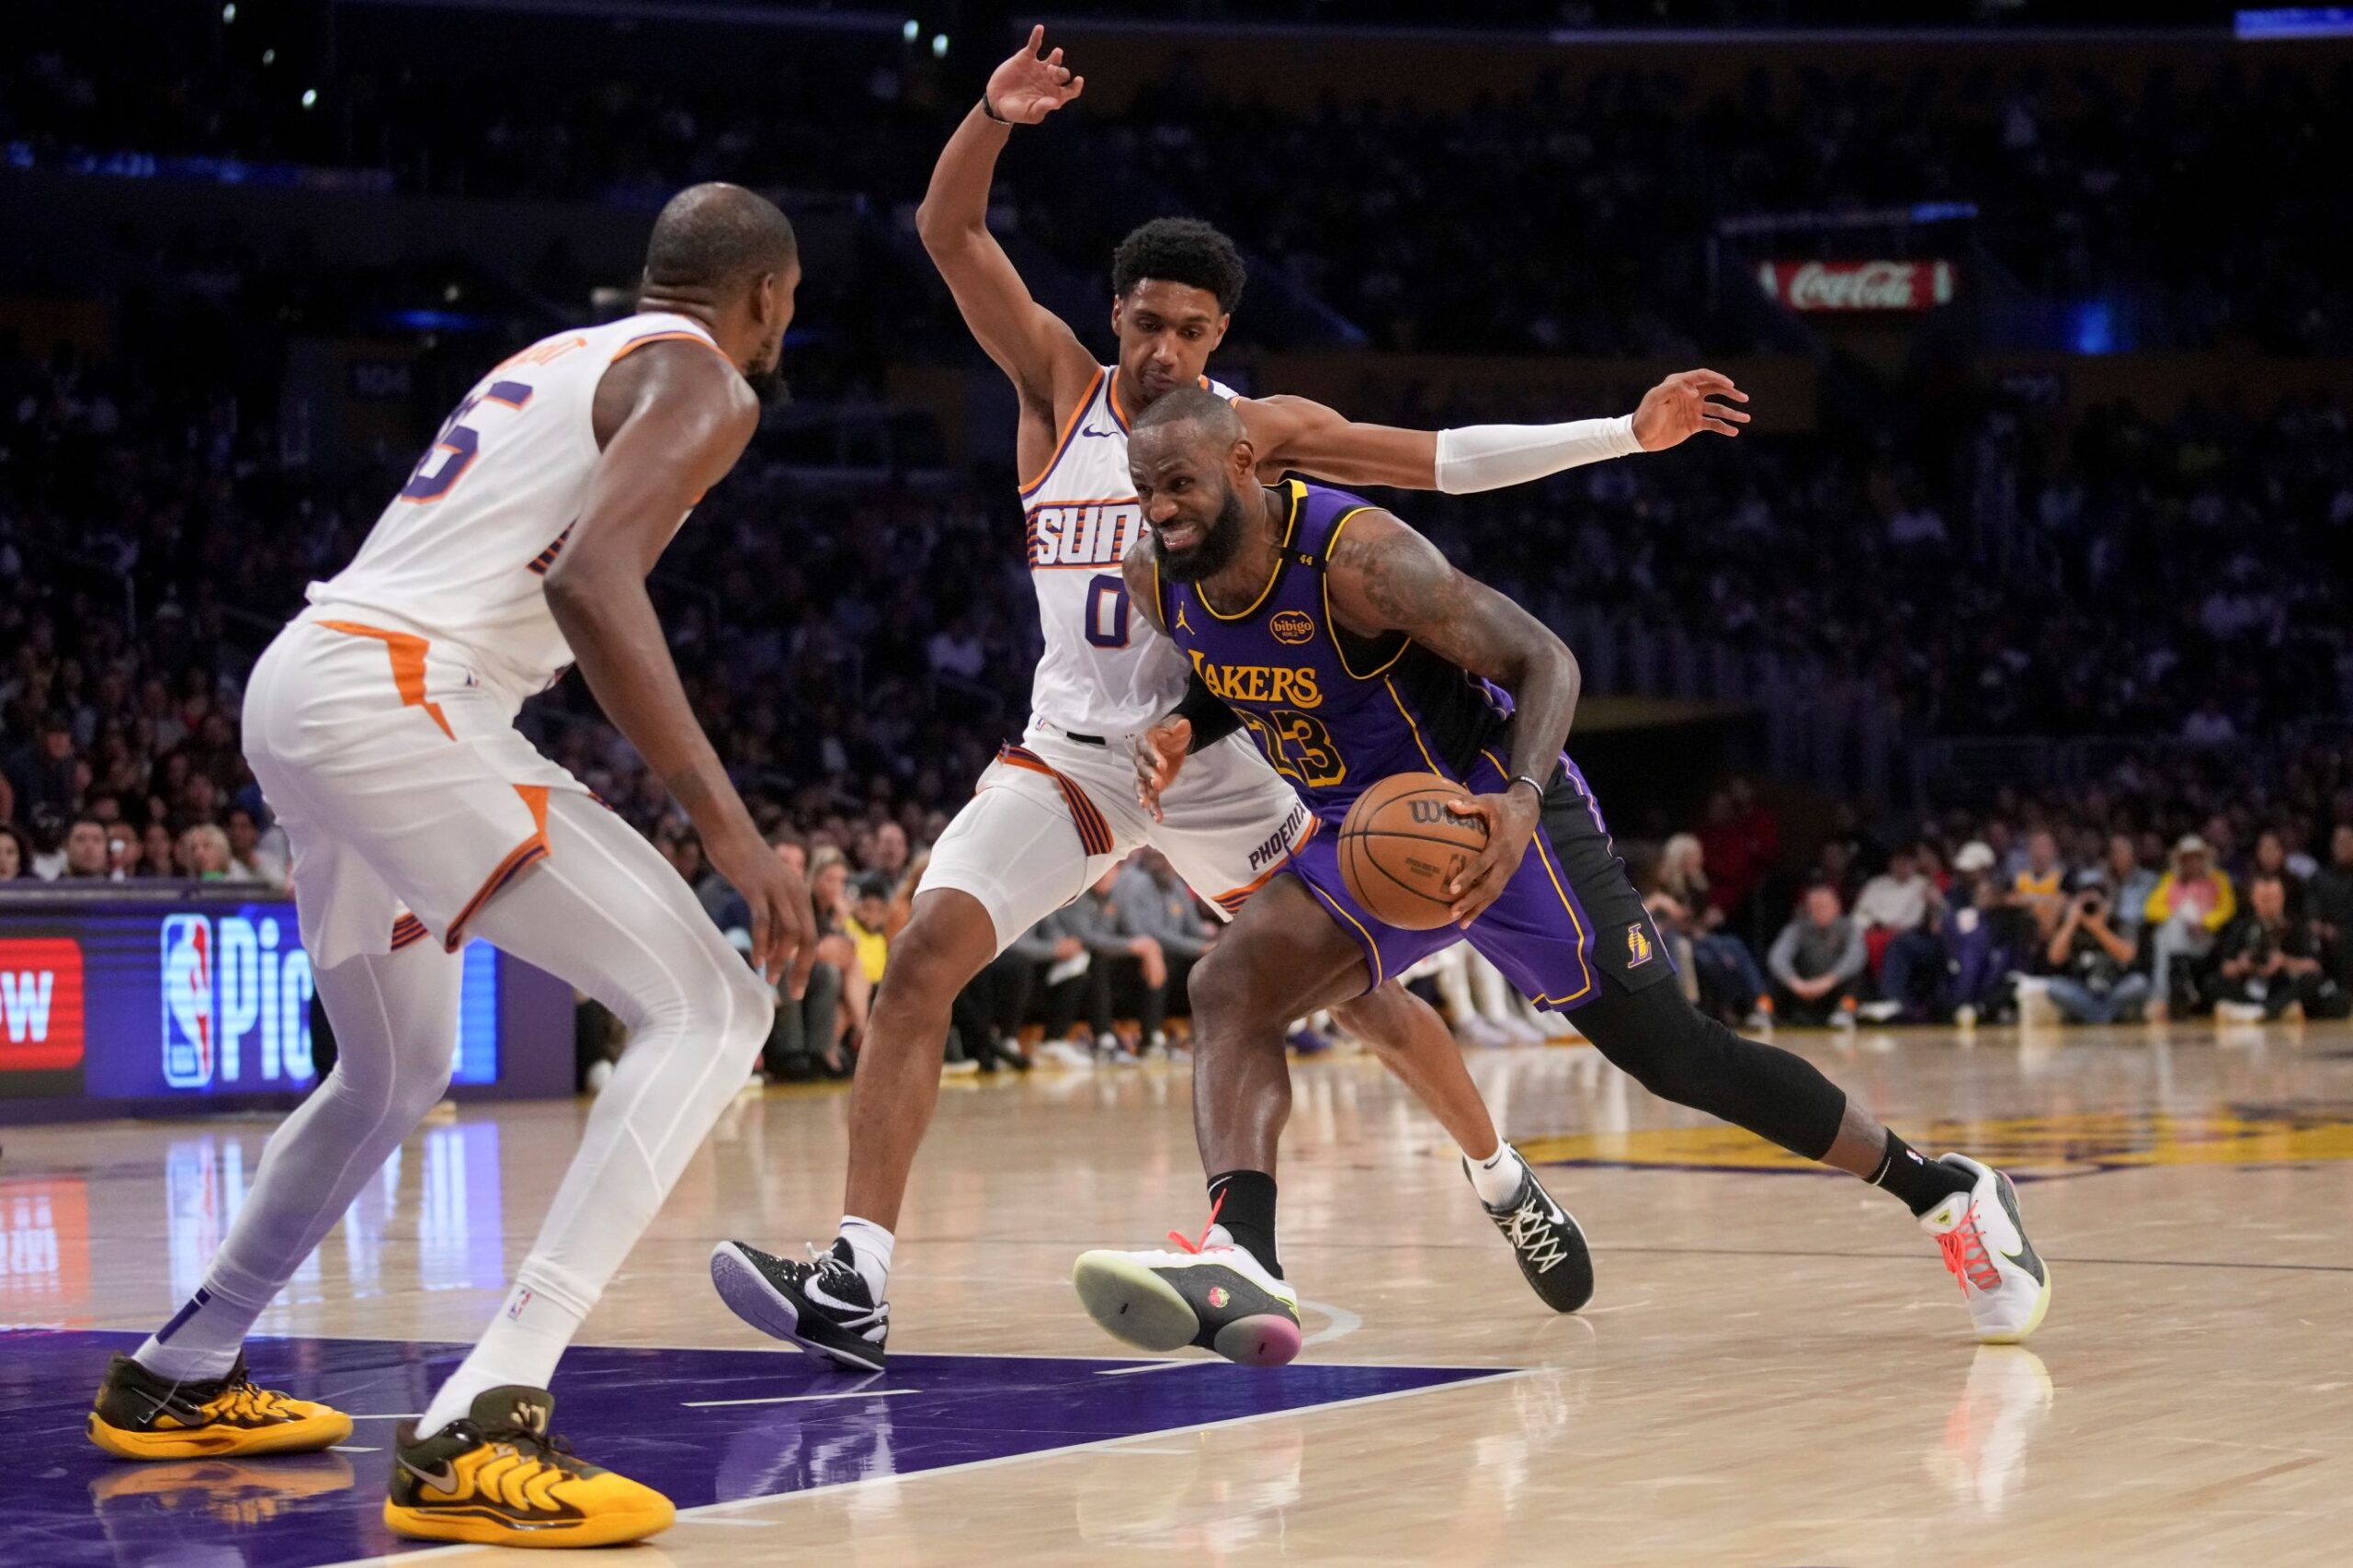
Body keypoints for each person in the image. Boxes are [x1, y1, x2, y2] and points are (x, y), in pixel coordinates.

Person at [710, 27, 1748, 1369]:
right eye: (1146, 323)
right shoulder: (1053, 388)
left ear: (1220, 339)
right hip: (1075, 757)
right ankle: (857, 1280)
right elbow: (950, 231)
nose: (1163, 350)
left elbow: (1440, 463)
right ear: (1118, 317)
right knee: (917, 959)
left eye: (1192, 331)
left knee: (1369, 996)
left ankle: (1502, 1175)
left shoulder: (1260, 430)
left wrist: (1623, 433)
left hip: (1231, 758)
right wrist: (990, 113)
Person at [86, 184, 816, 1550]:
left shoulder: (550, 357)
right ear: (767, 295)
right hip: (399, 696)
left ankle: (180, 1368)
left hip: (307, 684)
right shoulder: (710, 382)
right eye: (789, 303)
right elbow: (595, 583)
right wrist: (727, 825)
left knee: (393, 1070)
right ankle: (486, 1415)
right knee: (717, 1006)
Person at [1066, 390, 2048, 1366]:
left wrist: (1523, 799)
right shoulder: (1160, 574)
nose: (1160, 506)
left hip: (1491, 804)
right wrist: (1188, 723)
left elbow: (1545, 658)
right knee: (1228, 984)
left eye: (1180, 482)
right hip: (1361, 830)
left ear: (1243, 463)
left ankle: (1942, 1188)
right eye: (1145, 486)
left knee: (1676, 1057)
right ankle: (1244, 1255)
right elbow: (1231, 670)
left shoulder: (1359, 557)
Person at [2211, 871, 2333, 1023]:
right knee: (2212, 983)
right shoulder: (2242, 926)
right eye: (2264, 899)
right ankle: (2277, 1010)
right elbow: (2225, 967)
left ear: (2282, 898)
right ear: (2253, 899)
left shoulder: (2297, 925)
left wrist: (2284, 961)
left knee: (2314, 983)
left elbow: (2314, 966)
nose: (2269, 904)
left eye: (2274, 898)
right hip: (2251, 985)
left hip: (2285, 985)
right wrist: (2243, 966)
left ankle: (2262, 1011)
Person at [2144, 834, 2235, 1019]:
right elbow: (2151, 909)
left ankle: (2160, 997)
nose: (2192, 863)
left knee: (2162, 937)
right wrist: (2180, 917)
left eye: (2197, 858)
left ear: (2204, 859)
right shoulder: (2171, 881)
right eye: (2188, 859)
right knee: (2164, 933)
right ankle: (2167, 994)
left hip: (2207, 937)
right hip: (2178, 935)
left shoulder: (2218, 879)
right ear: (2180, 861)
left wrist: (2205, 922)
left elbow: (2227, 908)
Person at [2042, 877, 2150, 1025]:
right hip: (2082, 992)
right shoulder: (2071, 925)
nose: (2090, 907)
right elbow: (2054, 958)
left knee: (2139, 984)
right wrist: (2071, 922)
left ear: (2108, 903)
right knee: (2055, 987)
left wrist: (2098, 928)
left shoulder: (2118, 921)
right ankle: (2104, 1016)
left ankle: (2094, 1016)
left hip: (2114, 989)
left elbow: (2127, 956)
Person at [1766, 884, 1866, 1028]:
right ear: (1808, 909)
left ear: (1837, 907)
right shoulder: (1797, 929)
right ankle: (1765, 1011)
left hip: (1834, 986)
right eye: (1815, 907)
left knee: (1855, 975)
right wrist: (1795, 982)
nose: (1820, 911)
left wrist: (1829, 980)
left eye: (1824, 906)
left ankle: (1845, 1011)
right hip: (1803, 987)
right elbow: (1777, 957)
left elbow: (1856, 957)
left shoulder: (1849, 928)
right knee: (1776, 975)